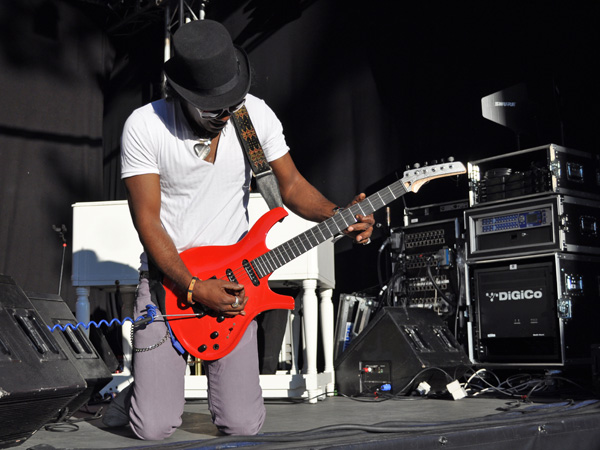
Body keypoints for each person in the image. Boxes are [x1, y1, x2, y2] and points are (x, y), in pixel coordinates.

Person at [104, 19, 374, 440]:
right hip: (168, 281)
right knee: (154, 427)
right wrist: (193, 286)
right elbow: (148, 222)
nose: (224, 115)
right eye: (213, 107)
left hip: (235, 282)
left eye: (230, 102)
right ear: (180, 94)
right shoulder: (145, 126)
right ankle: (140, 391)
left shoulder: (252, 116)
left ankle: (155, 384)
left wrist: (338, 213)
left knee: (243, 425)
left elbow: (293, 186)